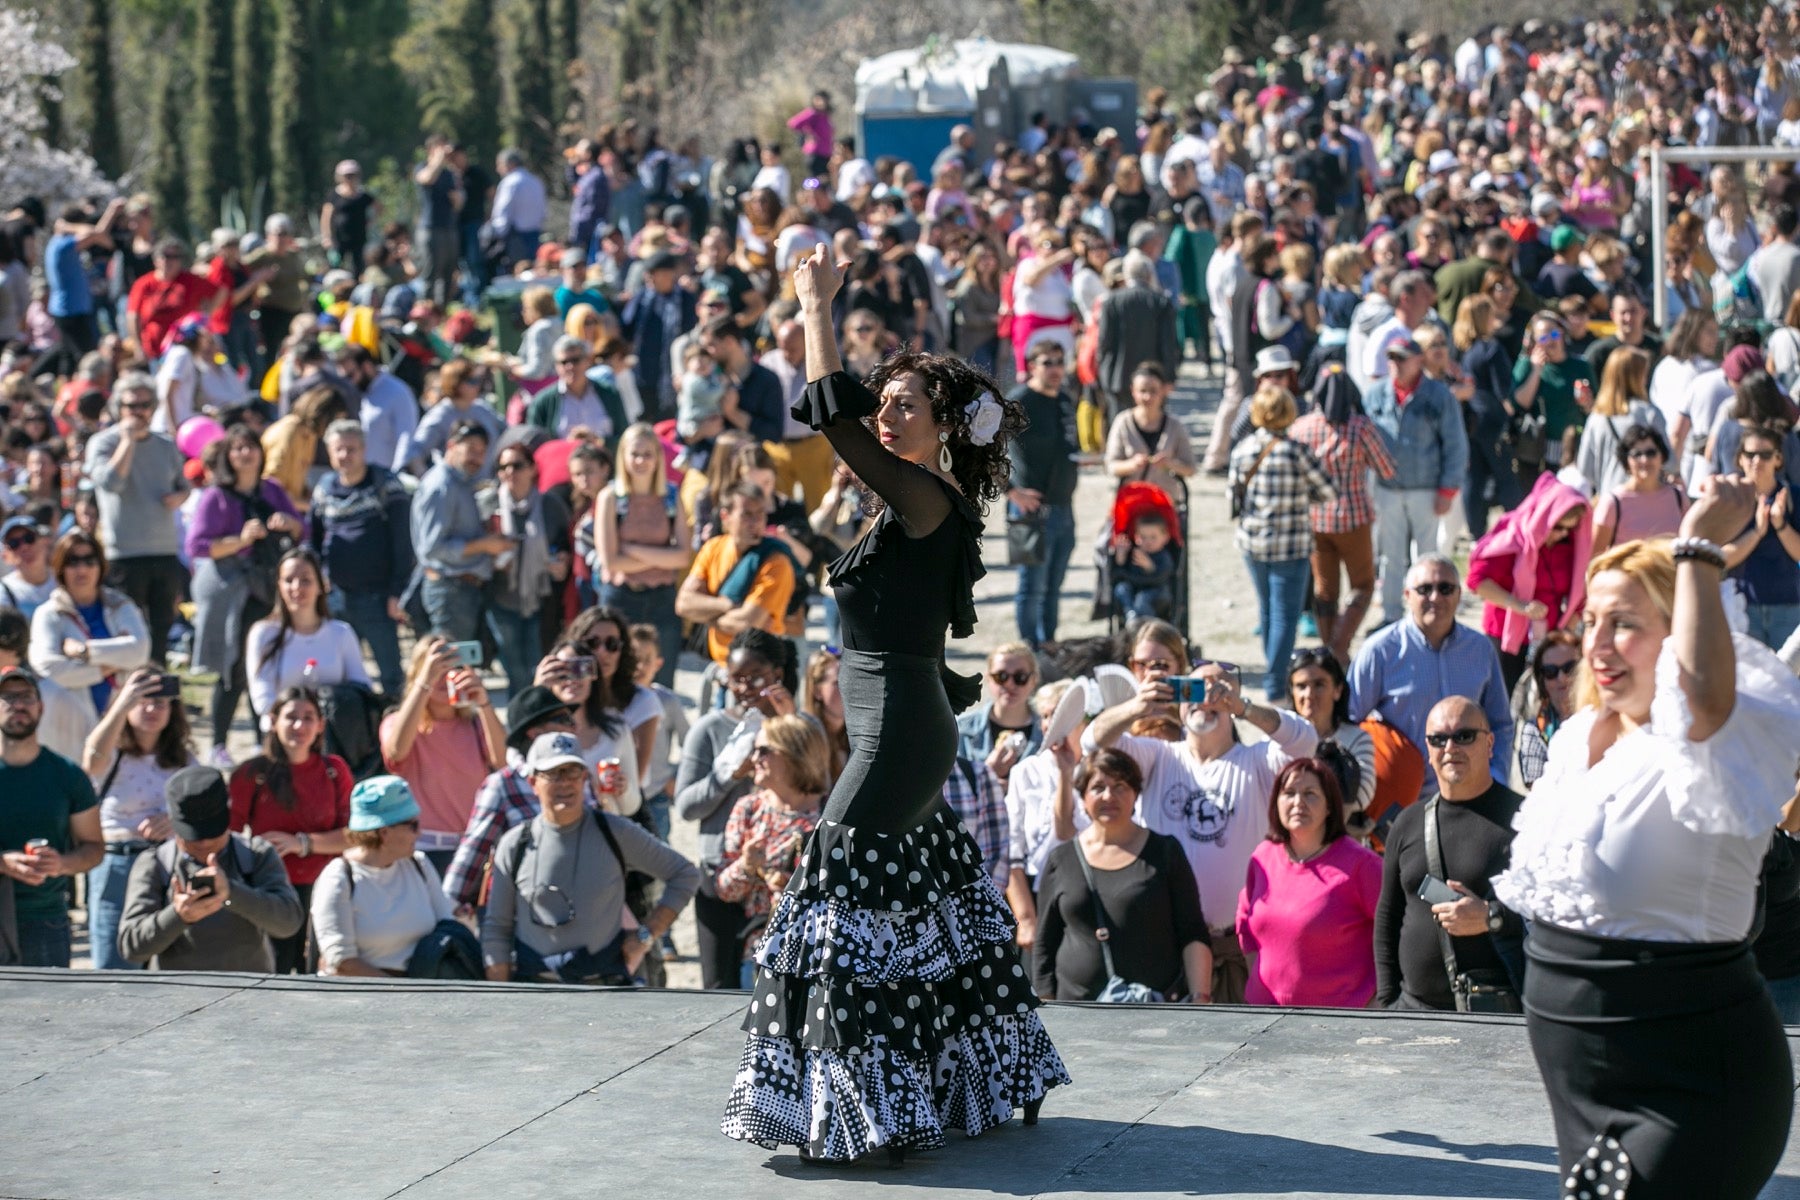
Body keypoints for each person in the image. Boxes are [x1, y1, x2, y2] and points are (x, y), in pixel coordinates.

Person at [723, 245, 1065, 1161]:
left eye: (905, 404)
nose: (886, 411)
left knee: (842, 900)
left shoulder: (927, 498)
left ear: (943, 428)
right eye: (889, 401)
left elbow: (828, 414)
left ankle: (875, 1110)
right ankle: (959, 1087)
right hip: (897, 723)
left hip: (900, 733)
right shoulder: (915, 502)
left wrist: (812, 304)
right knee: (911, 904)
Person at [1495, 519, 1800, 1200]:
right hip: (1585, 1102)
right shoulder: (1576, 738)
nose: (1597, 645)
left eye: (1625, 624)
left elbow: (1703, 696)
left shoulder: (1707, 749)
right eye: (1592, 621)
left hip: (1694, 1090)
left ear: (1680, 633)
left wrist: (1696, 547)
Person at [1087, 658, 1319, 1004]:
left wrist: (1244, 708)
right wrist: (1138, 707)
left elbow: (1304, 742)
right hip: (1168, 946)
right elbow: (1096, 743)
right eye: (1194, 689)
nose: (1205, 699)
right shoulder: (1158, 757)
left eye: (1217, 690)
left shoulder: (1257, 760)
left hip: (1242, 946)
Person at [481, 732, 699, 984]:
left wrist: (646, 936)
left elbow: (685, 874)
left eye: (573, 772)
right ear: (533, 782)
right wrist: (500, 993)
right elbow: (496, 927)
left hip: (604, 988)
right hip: (535, 988)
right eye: (554, 774)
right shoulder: (514, 844)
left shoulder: (614, 831)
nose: (565, 783)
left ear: (585, 777)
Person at [1373, 696, 1524, 1011]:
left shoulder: (1524, 819)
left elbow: (1551, 916)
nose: (1450, 747)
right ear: (1427, 750)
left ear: (1490, 743)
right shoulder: (1408, 822)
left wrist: (1491, 917)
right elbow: (1388, 919)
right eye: (1438, 739)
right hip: (1412, 1013)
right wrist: (1387, 1004)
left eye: (1464, 736)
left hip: (1495, 1014)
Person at [1032, 747, 1213, 1002]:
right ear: (1083, 797)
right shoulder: (1061, 859)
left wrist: (1200, 997)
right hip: (1075, 1012)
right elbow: (1044, 944)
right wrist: (1045, 1005)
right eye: (1098, 787)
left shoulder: (1165, 852)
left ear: (1136, 794)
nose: (1109, 796)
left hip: (1155, 1010)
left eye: (1120, 786)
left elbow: (1193, 931)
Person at [676, 628, 798, 989]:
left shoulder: (796, 725)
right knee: (718, 988)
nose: (744, 688)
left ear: (777, 673)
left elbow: (816, 787)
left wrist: (789, 726)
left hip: (780, 878)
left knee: (779, 988)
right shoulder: (710, 729)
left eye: (755, 678)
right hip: (721, 874)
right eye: (735, 680)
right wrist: (729, 775)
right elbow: (686, 806)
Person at [1348, 554, 1513, 796]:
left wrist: (1496, 779)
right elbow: (1349, 722)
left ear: (1459, 595)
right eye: (1425, 589)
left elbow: (1501, 724)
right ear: (1407, 596)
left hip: (1469, 795)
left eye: (1445, 588)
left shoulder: (1480, 650)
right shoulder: (1380, 651)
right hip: (1400, 800)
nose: (1435, 597)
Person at [187, 429, 307, 759]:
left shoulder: (272, 490)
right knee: (234, 669)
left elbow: (302, 530)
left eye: (250, 447)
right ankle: (218, 744)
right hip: (234, 593)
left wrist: (289, 524)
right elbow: (197, 546)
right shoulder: (216, 497)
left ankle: (262, 739)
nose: (245, 454)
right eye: (238, 448)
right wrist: (241, 540)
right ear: (228, 455)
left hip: (269, 589)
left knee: (267, 665)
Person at [117, 764, 304, 972]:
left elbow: (289, 923)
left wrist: (232, 893)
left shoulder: (255, 855)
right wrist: (177, 916)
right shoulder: (156, 864)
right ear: (174, 825)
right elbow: (131, 947)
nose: (205, 843)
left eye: (212, 833)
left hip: (248, 993)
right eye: (194, 837)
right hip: (176, 995)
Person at [1236, 756, 1382, 1007]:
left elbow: (1397, 932)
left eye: (1310, 793)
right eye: (1289, 793)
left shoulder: (1362, 865)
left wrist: (1377, 1000)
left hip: (1336, 1023)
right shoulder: (1263, 856)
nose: (1298, 802)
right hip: (1263, 1016)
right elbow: (1245, 923)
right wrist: (1262, 981)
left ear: (1329, 806)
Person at [227, 686, 353, 974]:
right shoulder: (250, 774)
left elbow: (354, 835)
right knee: (273, 977)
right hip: (270, 891)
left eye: (308, 717)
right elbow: (229, 836)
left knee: (320, 977)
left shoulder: (335, 770)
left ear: (321, 724)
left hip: (325, 889)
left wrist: (302, 843)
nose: (299, 725)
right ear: (273, 721)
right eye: (291, 717)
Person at [80, 667, 195, 970]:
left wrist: (174, 822)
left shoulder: (184, 759)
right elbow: (90, 760)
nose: (151, 708)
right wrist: (123, 701)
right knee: (113, 967)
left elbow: (205, 813)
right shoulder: (111, 752)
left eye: (161, 702)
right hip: (116, 864)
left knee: (169, 967)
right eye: (142, 700)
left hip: (166, 866)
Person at [1231, 384, 1334, 701]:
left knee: (1267, 612)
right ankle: (1276, 685)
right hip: (1290, 544)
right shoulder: (1297, 451)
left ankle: (1275, 674)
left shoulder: (1243, 449)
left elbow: (1232, 495)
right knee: (1285, 617)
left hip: (1254, 543)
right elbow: (1329, 491)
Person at [713, 714, 829, 985]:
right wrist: (747, 865)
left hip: (817, 954)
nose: (753, 759)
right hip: (759, 953)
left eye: (763, 750)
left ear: (794, 753)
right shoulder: (749, 809)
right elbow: (724, 889)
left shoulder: (831, 814)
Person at [310, 776, 466, 978]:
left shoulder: (420, 864)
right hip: (358, 998)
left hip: (421, 993)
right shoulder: (338, 878)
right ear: (384, 832)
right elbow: (342, 962)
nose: (419, 833)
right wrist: (402, 993)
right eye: (413, 825)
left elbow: (446, 925)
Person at [0, 664, 103, 966]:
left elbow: (94, 848)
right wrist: (3, 862)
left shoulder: (68, 775)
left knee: (47, 1014)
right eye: (7, 697)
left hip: (46, 921)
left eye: (27, 697)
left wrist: (62, 863)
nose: (18, 705)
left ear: (41, 706)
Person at [83, 374, 190, 665]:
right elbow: (111, 482)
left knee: (161, 629)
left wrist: (180, 497)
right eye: (131, 406)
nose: (138, 412)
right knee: (128, 632)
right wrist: (127, 441)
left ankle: (159, 692)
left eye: (144, 405)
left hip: (164, 551)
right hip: (124, 554)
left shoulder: (166, 445)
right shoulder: (102, 443)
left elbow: (184, 485)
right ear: (119, 408)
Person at [1363, 338, 1468, 626]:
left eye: (1402, 358)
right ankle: (1391, 615)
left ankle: (1427, 615)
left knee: (1427, 557)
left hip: (1427, 489)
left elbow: (1456, 445)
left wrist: (1448, 488)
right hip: (1387, 489)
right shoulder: (1375, 395)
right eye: (1392, 358)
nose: (1396, 364)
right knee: (1390, 556)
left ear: (1418, 360)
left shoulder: (1438, 396)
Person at [379, 637, 505, 875]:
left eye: (452, 667)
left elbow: (503, 763)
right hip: (423, 849)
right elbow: (396, 752)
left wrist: (484, 703)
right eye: (436, 667)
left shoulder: (476, 725)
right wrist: (424, 684)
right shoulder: (397, 722)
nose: (444, 675)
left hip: (474, 847)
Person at [311, 419, 413, 698]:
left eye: (351, 449)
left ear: (364, 449)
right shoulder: (324, 489)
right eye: (339, 449)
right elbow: (314, 541)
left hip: (378, 598)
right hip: (337, 599)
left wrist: (396, 592)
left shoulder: (386, 485)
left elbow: (403, 543)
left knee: (391, 676)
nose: (345, 455)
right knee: (339, 674)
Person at [1466, 474, 1591, 692]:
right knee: (1505, 697)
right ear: (1545, 518)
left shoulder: (1570, 546)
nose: (1563, 534)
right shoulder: (1514, 536)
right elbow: (1478, 581)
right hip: (1505, 635)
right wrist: (1520, 606)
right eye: (1559, 527)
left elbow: (1580, 594)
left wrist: (1565, 629)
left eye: (1569, 530)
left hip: (1548, 637)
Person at [596, 423, 690, 687]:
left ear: (658, 458)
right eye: (634, 454)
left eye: (648, 454)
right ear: (623, 456)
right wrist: (662, 556)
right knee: (616, 680)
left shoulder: (671, 496)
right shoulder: (611, 498)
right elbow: (611, 561)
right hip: (622, 597)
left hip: (662, 599)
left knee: (662, 681)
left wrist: (633, 550)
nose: (640, 461)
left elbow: (683, 556)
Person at [28, 531, 151, 727]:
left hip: (121, 719)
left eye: (89, 560)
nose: (82, 569)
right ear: (60, 567)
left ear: (101, 565)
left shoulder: (121, 605)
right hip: (68, 722)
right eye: (73, 561)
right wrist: (107, 666)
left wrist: (84, 652)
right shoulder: (48, 613)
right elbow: (48, 669)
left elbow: (141, 651)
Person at [1007, 341, 1080, 649]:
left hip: (1063, 507)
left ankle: (1048, 643)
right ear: (1031, 366)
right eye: (1047, 362)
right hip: (1031, 510)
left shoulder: (1065, 399)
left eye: (1060, 362)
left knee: (1054, 586)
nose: (1055, 369)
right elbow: (982, 448)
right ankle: (1028, 649)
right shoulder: (1019, 402)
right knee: (1032, 586)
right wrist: (1009, 491)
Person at [481, 443, 570, 696]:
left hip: (540, 600)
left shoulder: (550, 506)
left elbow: (564, 544)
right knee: (514, 667)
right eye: (503, 467)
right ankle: (518, 718)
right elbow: (474, 546)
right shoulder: (487, 503)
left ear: (532, 469)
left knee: (536, 665)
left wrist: (561, 561)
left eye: (517, 465)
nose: (510, 472)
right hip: (500, 599)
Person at [413, 418, 513, 641]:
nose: (476, 457)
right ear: (451, 446)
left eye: (481, 451)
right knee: (452, 668)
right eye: (470, 449)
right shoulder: (440, 486)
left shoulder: (465, 481)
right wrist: (485, 545)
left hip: (466, 590)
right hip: (450, 592)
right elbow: (432, 548)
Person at [676, 482, 795, 666]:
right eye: (747, 514)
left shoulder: (776, 561)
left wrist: (708, 615)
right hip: (719, 665)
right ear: (726, 516)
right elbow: (683, 604)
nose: (756, 522)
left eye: (761, 514)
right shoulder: (713, 548)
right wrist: (728, 604)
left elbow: (749, 624)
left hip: (758, 670)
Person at [245, 548, 370, 722]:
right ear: (279, 586)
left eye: (306, 580)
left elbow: (361, 686)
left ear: (321, 585)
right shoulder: (264, 633)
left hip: (334, 731)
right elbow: (262, 694)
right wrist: (297, 720)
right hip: (284, 731)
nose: (297, 587)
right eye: (289, 580)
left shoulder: (341, 633)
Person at [1722, 427, 1800, 650]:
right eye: (1750, 454)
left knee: (1790, 682)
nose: (1757, 461)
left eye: (1765, 455)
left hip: (1788, 606)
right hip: (1743, 607)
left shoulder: (1793, 496)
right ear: (1739, 459)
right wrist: (1757, 531)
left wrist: (1781, 525)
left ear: (1778, 459)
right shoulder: (1729, 500)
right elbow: (1723, 558)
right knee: (1750, 683)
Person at [1285, 647, 1376, 833]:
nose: (1309, 694)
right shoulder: (1279, 739)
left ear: (1337, 690)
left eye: (1319, 684)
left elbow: (1362, 797)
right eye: (1301, 686)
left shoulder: (1357, 738)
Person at [1095, 254, 1181, 415]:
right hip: (1154, 380)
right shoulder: (1161, 301)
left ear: (1126, 276)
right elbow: (1169, 344)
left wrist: (1104, 375)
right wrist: (1169, 377)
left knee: (1121, 428)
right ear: (1149, 275)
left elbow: (1104, 343)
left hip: (1118, 378)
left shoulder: (1111, 301)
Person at [1590, 424, 1687, 557]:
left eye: (1651, 453)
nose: (1644, 460)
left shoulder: (1679, 497)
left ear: (1662, 456)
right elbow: (1594, 557)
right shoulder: (1612, 502)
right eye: (1636, 454)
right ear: (1626, 461)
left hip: (1669, 576)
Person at [1509, 629, 1581, 791]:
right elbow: (1539, 792)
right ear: (1542, 681)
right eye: (1551, 672)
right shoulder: (1534, 731)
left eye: (1570, 668)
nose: (1562, 678)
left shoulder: (1606, 718)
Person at [800, 646, 848, 786]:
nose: (848, 691)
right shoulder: (804, 736)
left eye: (852, 682)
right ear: (817, 691)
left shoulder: (861, 734)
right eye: (838, 683)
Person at [0, 515, 55, 619]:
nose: (24, 547)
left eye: (29, 538)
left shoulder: (64, 578)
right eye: (14, 543)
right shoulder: (4, 592)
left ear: (44, 541)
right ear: (5, 556)